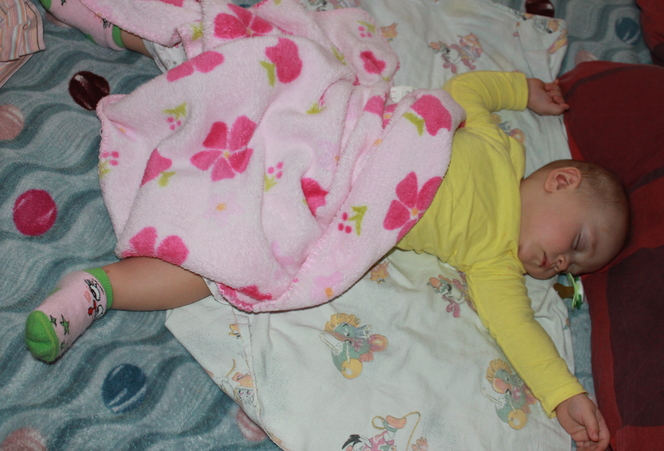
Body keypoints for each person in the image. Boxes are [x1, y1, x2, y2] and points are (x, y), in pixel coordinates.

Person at [27, 2, 628, 450]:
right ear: (560, 181)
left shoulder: (495, 262)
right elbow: (469, 88)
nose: (561, 265)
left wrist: (564, 394)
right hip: (336, 123)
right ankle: (116, 26)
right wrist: (523, 90)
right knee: (244, 53)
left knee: (236, 261)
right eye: (575, 244)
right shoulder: (496, 149)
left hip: (325, 198)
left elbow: (519, 331)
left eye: (574, 267)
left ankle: (97, 290)